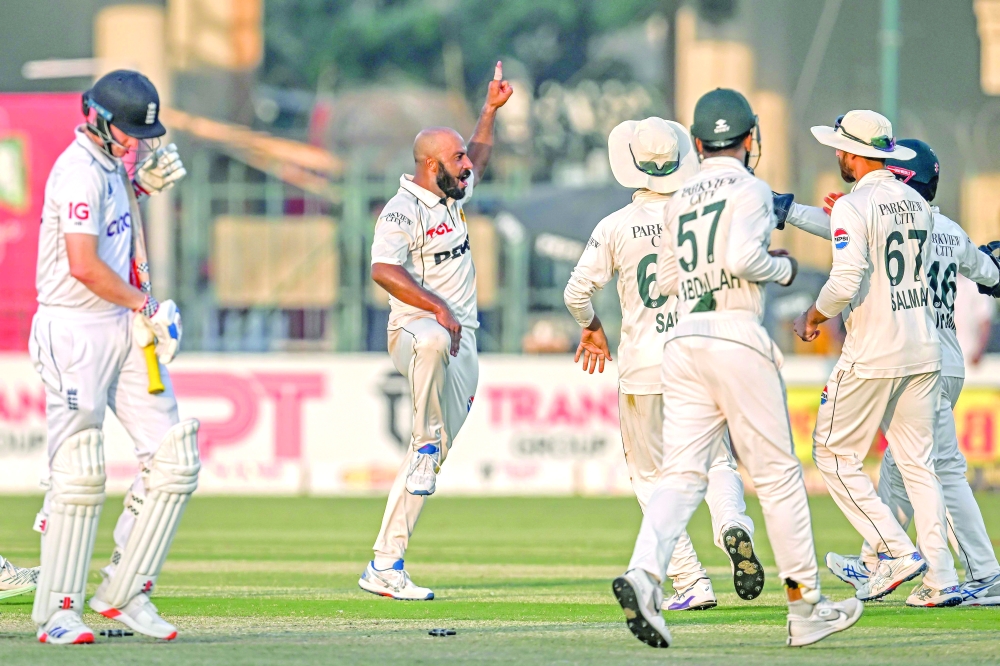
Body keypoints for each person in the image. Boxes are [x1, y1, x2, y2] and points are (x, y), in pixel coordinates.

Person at [613, 88, 861, 649]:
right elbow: (745, 259)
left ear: (698, 144)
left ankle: (644, 575)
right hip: (734, 333)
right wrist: (785, 269)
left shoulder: (678, 197)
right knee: (777, 478)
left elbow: (672, 281)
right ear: (750, 139)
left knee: (680, 475)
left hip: (683, 340)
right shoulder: (749, 188)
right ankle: (805, 610)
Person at [779, 138, 1000, 606]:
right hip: (941, 358)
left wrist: (801, 212)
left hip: (903, 354)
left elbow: (841, 243)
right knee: (911, 470)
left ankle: (971, 570)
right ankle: (884, 561)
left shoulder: (881, 212)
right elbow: (987, 270)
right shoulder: (940, 223)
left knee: (934, 471)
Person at [564, 117, 763, 611]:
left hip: (645, 367)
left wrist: (591, 327)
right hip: (703, 358)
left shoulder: (614, 226)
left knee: (652, 477)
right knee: (717, 462)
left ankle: (691, 580)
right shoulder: (705, 217)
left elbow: (576, 293)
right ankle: (732, 525)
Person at [29, 69, 195, 644]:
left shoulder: (112, 170)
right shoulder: (78, 170)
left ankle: (125, 591)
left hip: (122, 323)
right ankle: (57, 612)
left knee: (174, 458)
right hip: (76, 328)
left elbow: (116, 234)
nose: (137, 142)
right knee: (78, 472)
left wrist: (138, 189)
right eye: (127, 132)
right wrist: (147, 304)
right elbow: (84, 265)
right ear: (97, 118)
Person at [358, 62, 512, 600]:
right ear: (429, 167)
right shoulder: (401, 211)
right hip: (414, 333)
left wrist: (489, 110)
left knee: (428, 466)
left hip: (461, 342)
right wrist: (438, 307)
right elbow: (382, 269)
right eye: (456, 159)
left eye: (464, 157)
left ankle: (385, 564)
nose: (468, 164)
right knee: (431, 339)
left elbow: (482, 154)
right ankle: (423, 442)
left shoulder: (452, 193)